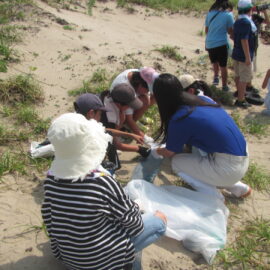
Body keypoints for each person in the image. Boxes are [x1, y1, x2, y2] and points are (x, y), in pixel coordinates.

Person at [41, 113, 167, 270]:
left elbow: (49, 218)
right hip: (103, 262)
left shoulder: (51, 181)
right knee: (159, 221)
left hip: (71, 261)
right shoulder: (102, 182)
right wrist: (136, 208)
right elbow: (135, 226)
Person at [151, 73, 251, 200]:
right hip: (243, 155)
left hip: (229, 167)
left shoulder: (180, 118)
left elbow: (170, 152)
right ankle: (238, 187)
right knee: (198, 150)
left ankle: (213, 196)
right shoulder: (204, 99)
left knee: (177, 163)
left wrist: (155, 150)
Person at [74, 92, 150, 160]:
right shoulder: (90, 131)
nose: (100, 116)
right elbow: (115, 142)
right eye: (100, 114)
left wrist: (131, 135)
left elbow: (106, 130)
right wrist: (139, 149)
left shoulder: (78, 119)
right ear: (91, 113)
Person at [110, 68, 158, 136]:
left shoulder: (140, 74)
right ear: (140, 85)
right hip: (120, 104)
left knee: (153, 97)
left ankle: (137, 115)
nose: (148, 92)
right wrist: (143, 137)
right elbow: (128, 119)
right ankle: (129, 125)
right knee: (146, 100)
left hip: (131, 96)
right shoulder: (126, 91)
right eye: (148, 90)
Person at [205, 0, 234, 91]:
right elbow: (230, 32)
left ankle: (216, 77)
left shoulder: (210, 13)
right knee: (223, 65)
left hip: (210, 42)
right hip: (221, 43)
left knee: (214, 62)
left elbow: (206, 30)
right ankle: (224, 85)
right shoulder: (228, 15)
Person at [232, 0, 256, 108]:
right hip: (243, 55)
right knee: (244, 78)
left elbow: (232, 36)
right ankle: (241, 100)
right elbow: (244, 40)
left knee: (237, 75)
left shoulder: (237, 20)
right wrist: (247, 57)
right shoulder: (246, 22)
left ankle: (239, 93)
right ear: (249, 9)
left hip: (236, 53)